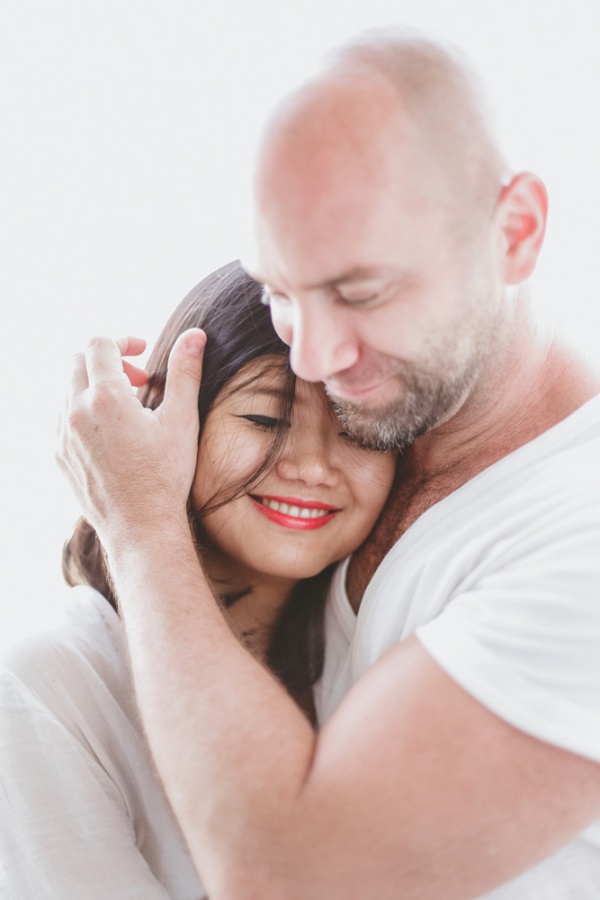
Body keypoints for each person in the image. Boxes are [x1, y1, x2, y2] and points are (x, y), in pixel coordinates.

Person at [57, 28, 600, 900]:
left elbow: (290, 878)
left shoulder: (579, 536)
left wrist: (141, 520)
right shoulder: (387, 436)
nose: (310, 356)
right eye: (278, 289)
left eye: (359, 292)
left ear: (517, 233)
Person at [0, 261, 395, 899]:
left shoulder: (384, 663)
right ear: (170, 423)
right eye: (267, 421)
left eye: (361, 433)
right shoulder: (47, 680)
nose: (315, 466)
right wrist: (140, 522)